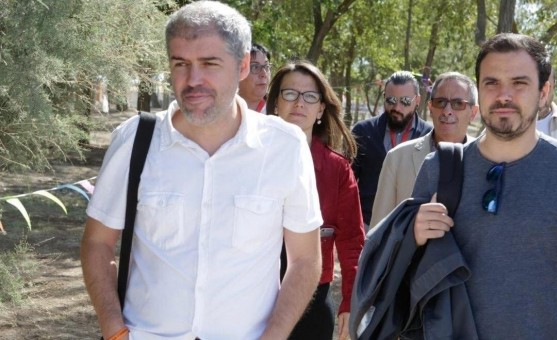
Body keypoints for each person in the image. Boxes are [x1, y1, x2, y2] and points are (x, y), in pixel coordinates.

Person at [80, 2, 323, 339]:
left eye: (209, 63)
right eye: (181, 64)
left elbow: (306, 260)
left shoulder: (285, 146)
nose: (193, 80)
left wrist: (275, 335)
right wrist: (113, 329)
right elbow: (97, 243)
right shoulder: (135, 140)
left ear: (242, 66)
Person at [409, 33, 557, 338]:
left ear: (544, 92)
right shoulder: (438, 169)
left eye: (519, 83)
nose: (504, 95)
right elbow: (408, 275)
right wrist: (413, 237)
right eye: (492, 83)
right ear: (479, 93)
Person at [266, 61, 365, 340]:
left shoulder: (338, 170)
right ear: (275, 103)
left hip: (312, 304)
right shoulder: (248, 160)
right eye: (290, 94)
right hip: (253, 299)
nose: (299, 103)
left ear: (321, 108)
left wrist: (349, 301)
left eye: (310, 96)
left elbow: (351, 241)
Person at [370, 71, 478, 226]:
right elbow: (378, 230)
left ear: (473, 112)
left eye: (458, 104)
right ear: (430, 108)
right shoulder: (397, 158)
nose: (447, 111)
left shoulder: (487, 160)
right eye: (440, 102)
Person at [352, 71, 432, 228]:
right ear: (383, 98)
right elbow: (348, 181)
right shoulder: (363, 131)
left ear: (418, 100)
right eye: (391, 100)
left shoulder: (430, 135)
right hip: (366, 225)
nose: (397, 107)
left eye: (405, 101)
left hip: (412, 228)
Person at [238, 43, 271, 113]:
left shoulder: (278, 111)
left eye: (266, 67)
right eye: (255, 67)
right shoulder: (220, 109)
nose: (264, 73)